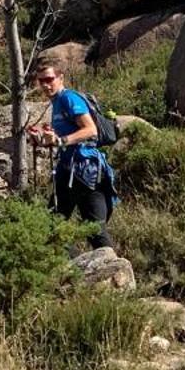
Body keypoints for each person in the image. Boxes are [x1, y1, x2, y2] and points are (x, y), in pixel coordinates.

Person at [26, 59, 115, 246]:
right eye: (41, 81)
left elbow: (90, 130)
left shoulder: (69, 98)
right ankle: (74, 271)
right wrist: (43, 139)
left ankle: (114, 270)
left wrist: (60, 141)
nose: (45, 84)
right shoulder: (57, 102)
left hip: (85, 171)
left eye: (49, 79)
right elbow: (64, 137)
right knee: (52, 227)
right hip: (69, 170)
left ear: (60, 78)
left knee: (94, 230)